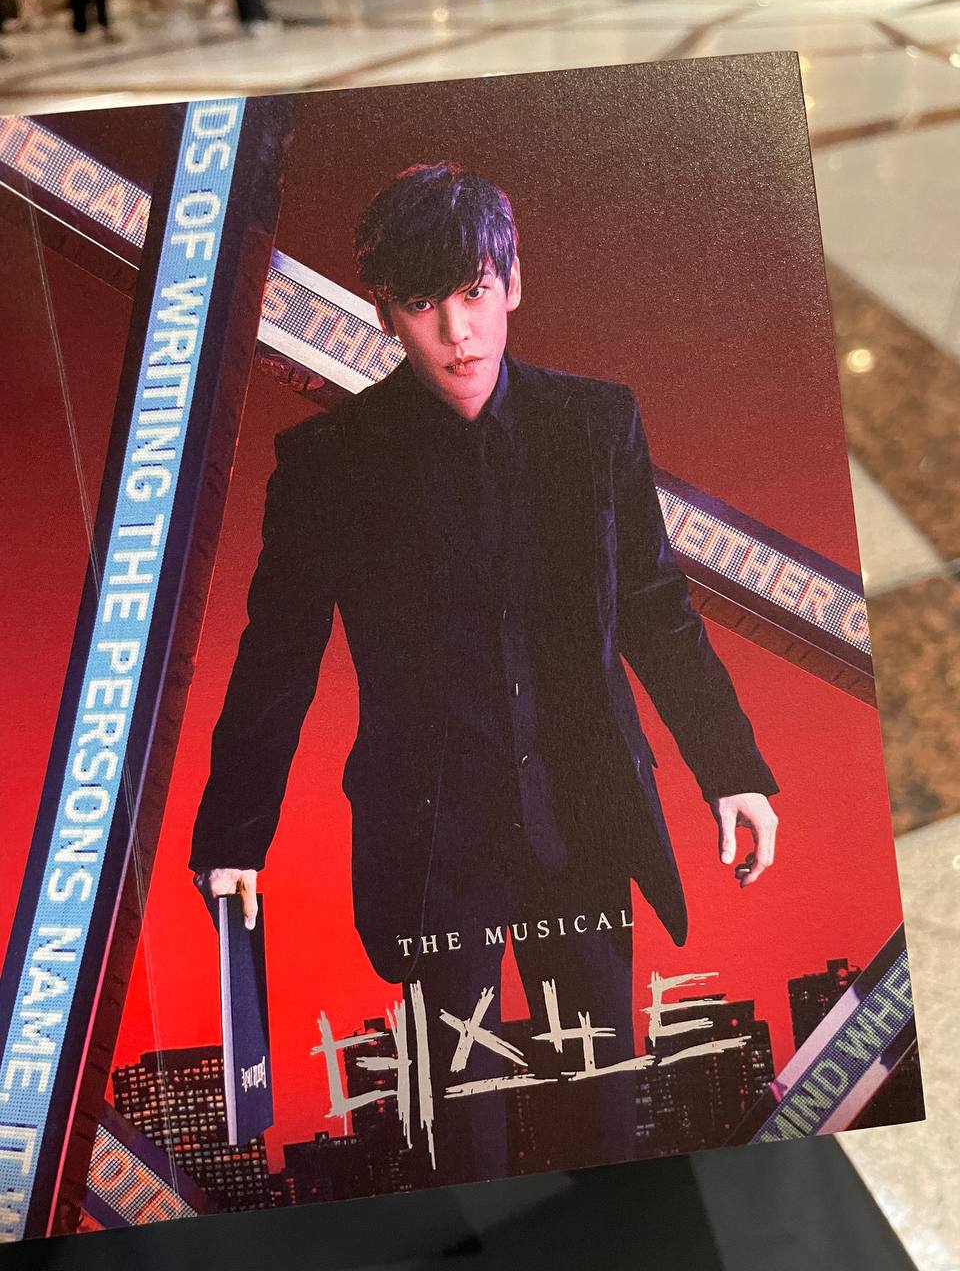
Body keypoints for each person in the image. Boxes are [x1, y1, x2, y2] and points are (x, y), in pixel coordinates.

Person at [190, 163, 779, 1184]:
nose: (457, 330)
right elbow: (279, 649)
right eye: (424, 304)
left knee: (605, 1131)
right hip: (433, 844)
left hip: (582, 822)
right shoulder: (329, 462)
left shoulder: (594, 424)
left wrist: (733, 769)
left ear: (512, 283)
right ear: (387, 311)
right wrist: (235, 832)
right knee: (462, 1150)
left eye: (473, 291)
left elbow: (654, 605)